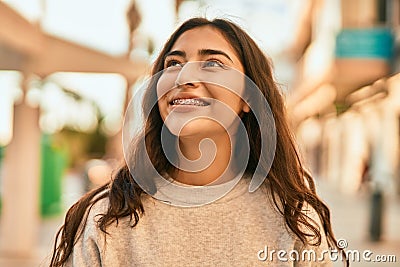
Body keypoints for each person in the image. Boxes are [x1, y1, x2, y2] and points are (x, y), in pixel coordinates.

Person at [50, 17, 347, 266]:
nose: (185, 76)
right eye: (174, 64)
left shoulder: (292, 220)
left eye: (214, 63)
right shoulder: (107, 219)